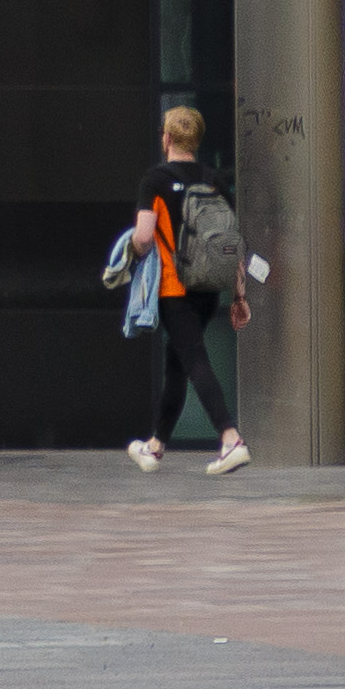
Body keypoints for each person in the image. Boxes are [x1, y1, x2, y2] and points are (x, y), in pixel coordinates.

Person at [129, 103, 260, 474]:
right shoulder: (215, 179)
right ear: (196, 141)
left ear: (167, 138)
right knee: (178, 363)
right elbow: (231, 243)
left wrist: (135, 252)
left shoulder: (155, 179)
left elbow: (142, 237)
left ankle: (230, 438)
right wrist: (239, 295)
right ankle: (154, 447)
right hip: (208, 289)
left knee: (195, 360)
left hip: (175, 289)